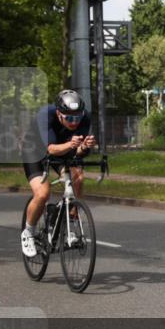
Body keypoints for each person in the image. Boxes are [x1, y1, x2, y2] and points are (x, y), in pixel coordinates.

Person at [20, 90, 96, 258]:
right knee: (43, 193)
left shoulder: (84, 117)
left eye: (77, 117)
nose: (74, 122)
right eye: (69, 118)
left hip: (63, 151)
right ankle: (28, 232)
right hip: (35, 152)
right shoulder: (45, 114)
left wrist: (84, 147)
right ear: (58, 114)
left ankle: (71, 223)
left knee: (78, 177)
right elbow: (51, 149)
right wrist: (71, 145)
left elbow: (78, 153)